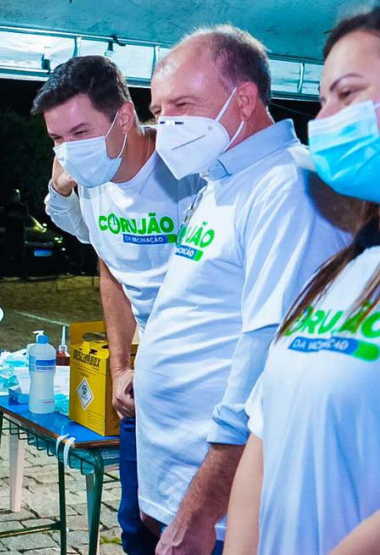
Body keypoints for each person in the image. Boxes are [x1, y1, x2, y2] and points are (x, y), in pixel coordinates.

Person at [134, 26, 351, 554]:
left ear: (245, 98)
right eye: (160, 112)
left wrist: (203, 506)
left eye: (182, 105)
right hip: (173, 482)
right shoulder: (223, 181)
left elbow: (266, 361)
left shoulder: (286, 188)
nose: (167, 126)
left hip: (223, 509)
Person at [35, 55, 205, 555]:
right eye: (57, 139)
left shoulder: (188, 173)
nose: (69, 151)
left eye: (80, 131)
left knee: (202, 530)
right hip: (148, 372)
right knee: (136, 524)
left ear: (125, 116)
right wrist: (122, 366)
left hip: (207, 372)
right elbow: (111, 267)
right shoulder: (93, 183)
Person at [225, 9, 380, 554]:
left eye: (346, 93)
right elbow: (264, 442)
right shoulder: (341, 272)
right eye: (323, 99)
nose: (325, 119)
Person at [3, 189, 30, 278]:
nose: (16, 197)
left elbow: (25, 217)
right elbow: (5, 217)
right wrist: (17, 215)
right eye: (14, 195)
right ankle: (6, 272)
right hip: (10, 233)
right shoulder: (8, 207)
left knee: (21, 255)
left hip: (20, 233)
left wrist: (14, 215)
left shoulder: (23, 207)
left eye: (17, 195)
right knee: (8, 254)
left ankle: (22, 273)